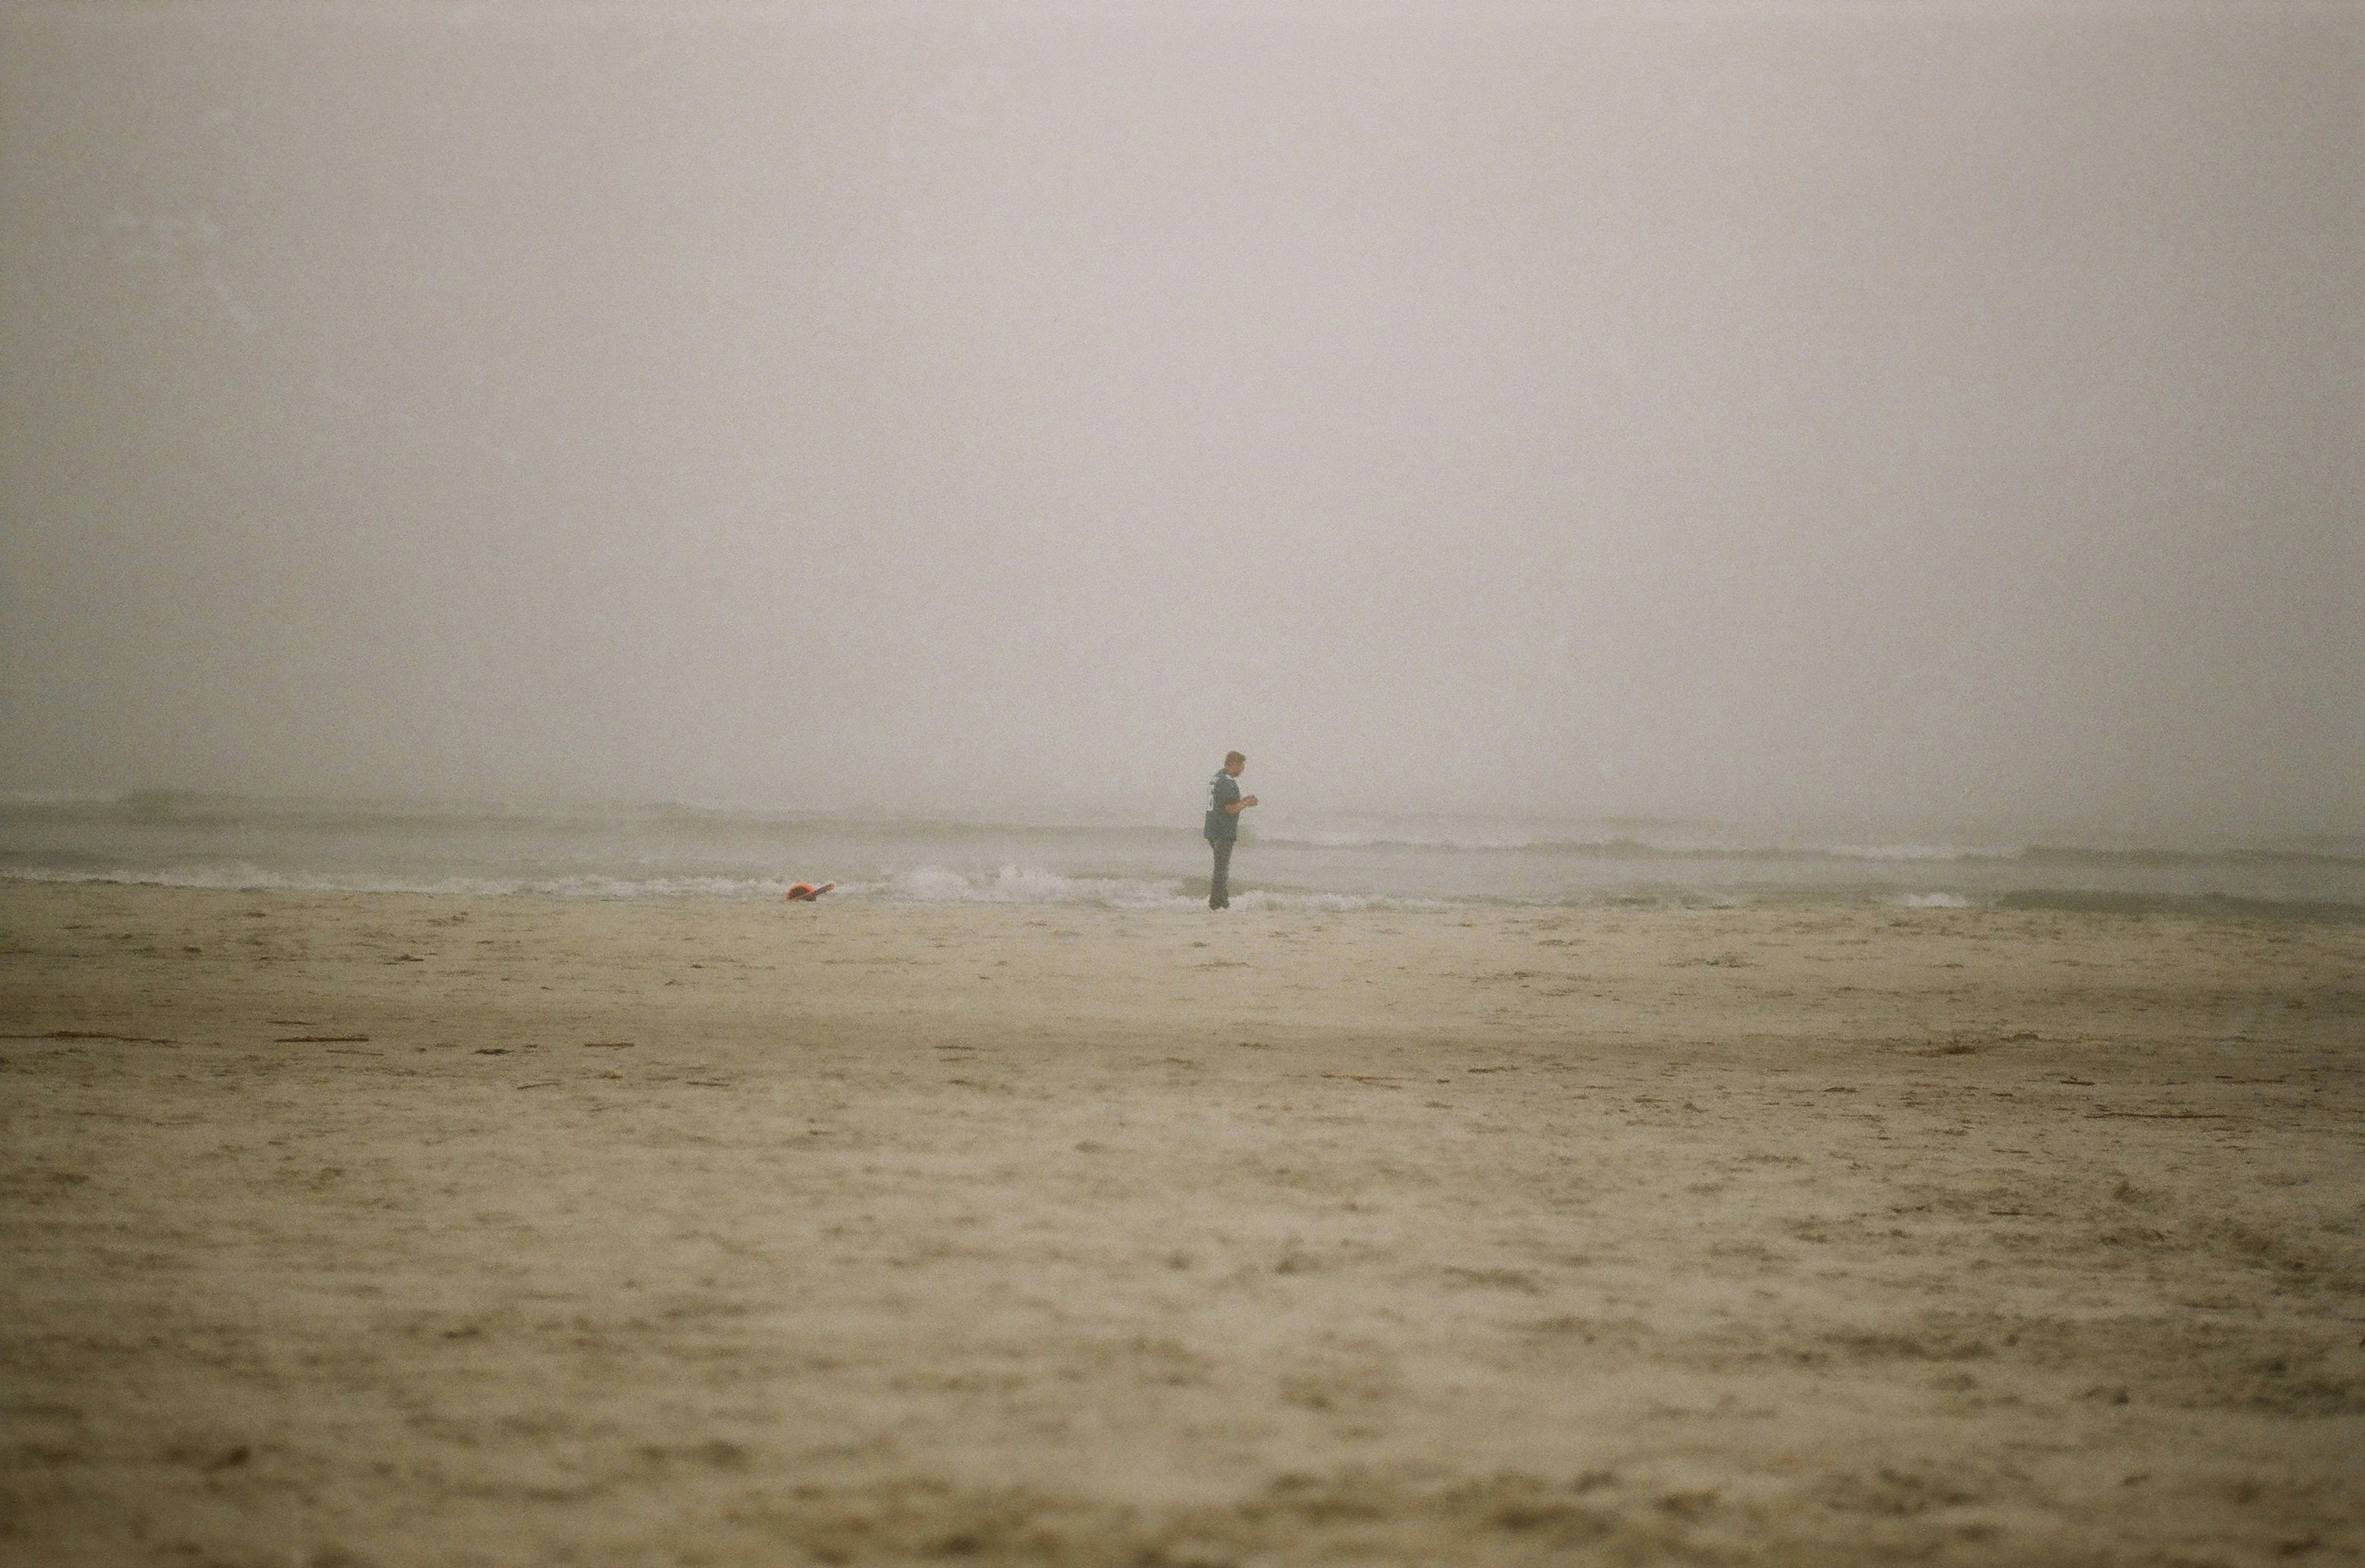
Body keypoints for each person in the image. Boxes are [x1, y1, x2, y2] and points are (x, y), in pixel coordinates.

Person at [1204, 751, 1257, 910]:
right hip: (1223, 829)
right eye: (1241, 766)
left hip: (1213, 828)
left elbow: (1224, 803)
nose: (1242, 770)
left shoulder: (1216, 778)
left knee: (1221, 866)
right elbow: (1230, 809)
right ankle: (1216, 903)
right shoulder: (1227, 782)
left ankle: (1223, 901)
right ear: (1232, 764)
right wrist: (1246, 804)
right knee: (1221, 868)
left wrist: (1243, 801)